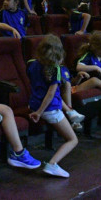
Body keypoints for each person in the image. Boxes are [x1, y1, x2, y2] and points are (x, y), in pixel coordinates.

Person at [27, 35, 79, 178]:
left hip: (34, 103)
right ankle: (52, 164)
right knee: (73, 139)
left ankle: (71, 113)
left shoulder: (32, 63)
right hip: (48, 109)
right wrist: (39, 112)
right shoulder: (55, 69)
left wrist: (36, 109)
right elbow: (49, 95)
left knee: (58, 97)